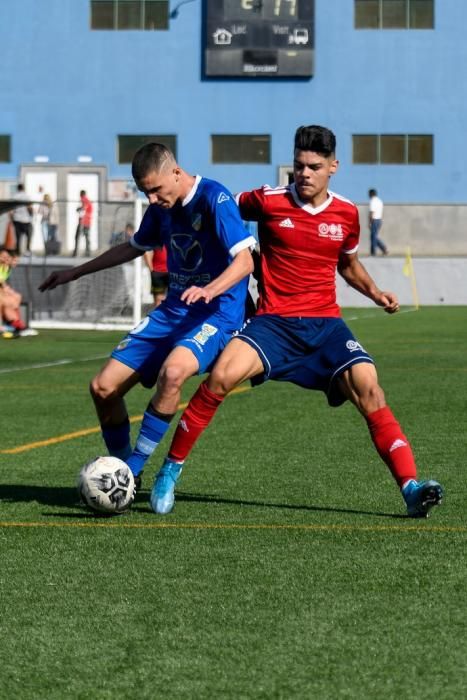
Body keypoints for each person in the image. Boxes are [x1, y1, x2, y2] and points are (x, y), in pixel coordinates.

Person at [151, 125, 443, 519]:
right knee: (220, 377)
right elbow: (217, 211)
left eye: (314, 167)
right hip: (273, 324)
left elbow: (348, 264)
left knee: (370, 387)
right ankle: (169, 472)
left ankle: (410, 488)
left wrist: (376, 293)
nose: (304, 174)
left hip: (326, 326)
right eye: (299, 166)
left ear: (333, 167)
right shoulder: (265, 201)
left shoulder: (346, 213)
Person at [39, 142, 255, 489]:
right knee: (102, 388)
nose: (152, 199)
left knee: (173, 373)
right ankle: (124, 470)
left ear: (176, 172)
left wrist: (210, 290)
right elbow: (133, 246)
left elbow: (246, 262)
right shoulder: (159, 208)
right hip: (173, 311)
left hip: (218, 313)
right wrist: (75, 272)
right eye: (145, 191)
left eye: (155, 189)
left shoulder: (215, 198)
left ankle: (133, 472)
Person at [0, 246, 27, 337]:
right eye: (3, 257)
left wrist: (7, 290)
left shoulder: (6, 267)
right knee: (4, 300)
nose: (5, 259)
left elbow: (2, 283)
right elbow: (2, 283)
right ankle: (8, 323)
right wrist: (6, 290)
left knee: (16, 297)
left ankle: (15, 322)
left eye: (6, 257)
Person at [11, 184, 33, 255]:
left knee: (18, 237)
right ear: (23, 188)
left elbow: (11, 211)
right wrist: (31, 214)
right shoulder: (26, 196)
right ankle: (27, 250)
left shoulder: (14, 197)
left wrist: (12, 220)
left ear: (18, 189)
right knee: (29, 235)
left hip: (17, 219)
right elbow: (29, 207)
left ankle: (18, 252)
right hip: (26, 220)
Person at [144, 243, 168, 307]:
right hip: (158, 273)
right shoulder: (156, 238)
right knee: (159, 299)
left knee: (175, 298)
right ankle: (159, 316)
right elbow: (147, 253)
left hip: (174, 273)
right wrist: (152, 270)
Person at [73, 190, 93, 257]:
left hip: (83, 222)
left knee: (77, 237)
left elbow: (83, 208)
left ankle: (76, 253)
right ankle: (88, 252)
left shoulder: (84, 200)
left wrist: (78, 209)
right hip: (87, 222)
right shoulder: (88, 200)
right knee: (87, 237)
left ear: (81, 194)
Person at [368, 188, 388, 256]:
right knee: (374, 236)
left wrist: (370, 222)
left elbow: (372, 212)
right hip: (379, 220)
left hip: (374, 220)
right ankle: (383, 248)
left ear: (371, 194)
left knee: (373, 237)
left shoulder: (372, 201)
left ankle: (373, 252)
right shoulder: (380, 201)